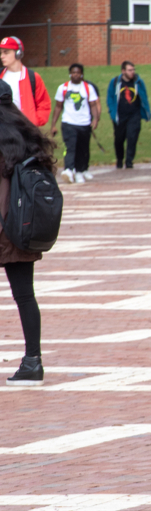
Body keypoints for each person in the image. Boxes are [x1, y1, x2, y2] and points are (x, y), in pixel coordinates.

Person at [0, 79, 57, 386]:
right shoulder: (28, 136)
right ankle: (32, 362)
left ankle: (32, 364)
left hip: (2, 227)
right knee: (25, 296)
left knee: (24, 296)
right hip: (22, 226)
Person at [49, 63, 100, 184]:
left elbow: (93, 105)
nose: (75, 75)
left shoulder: (88, 88)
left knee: (82, 149)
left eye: (78, 73)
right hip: (68, 122)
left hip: (84, 123)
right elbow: (58, 107)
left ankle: (80, 171)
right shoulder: (63, 88)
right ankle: (68, 169)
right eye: (73, 73)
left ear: (82, 74)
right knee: (70, 147)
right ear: (70, 74)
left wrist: (96, 119)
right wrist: (53, 124)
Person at [107, 61, 151, 169]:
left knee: (132, 137)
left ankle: (129, 160)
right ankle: (119, 159)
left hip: (134, 115)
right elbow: (110, 98)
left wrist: (146, 112)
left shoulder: (138, 82)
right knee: (119, 139)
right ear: (123, 71)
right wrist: (113, 113)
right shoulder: (115, 82)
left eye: (133, 70)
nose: (132, 72)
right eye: (130, 70)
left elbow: (144, 97)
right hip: (120, 116)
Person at [0, 36, 51, 127]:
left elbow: (44, 104)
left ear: (18, 53)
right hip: (4, 128)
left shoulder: (33, 77)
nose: (1, 56)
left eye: (6, 52)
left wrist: (35, 122)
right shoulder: (1, 76)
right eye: (1, 53)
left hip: (25, 129)